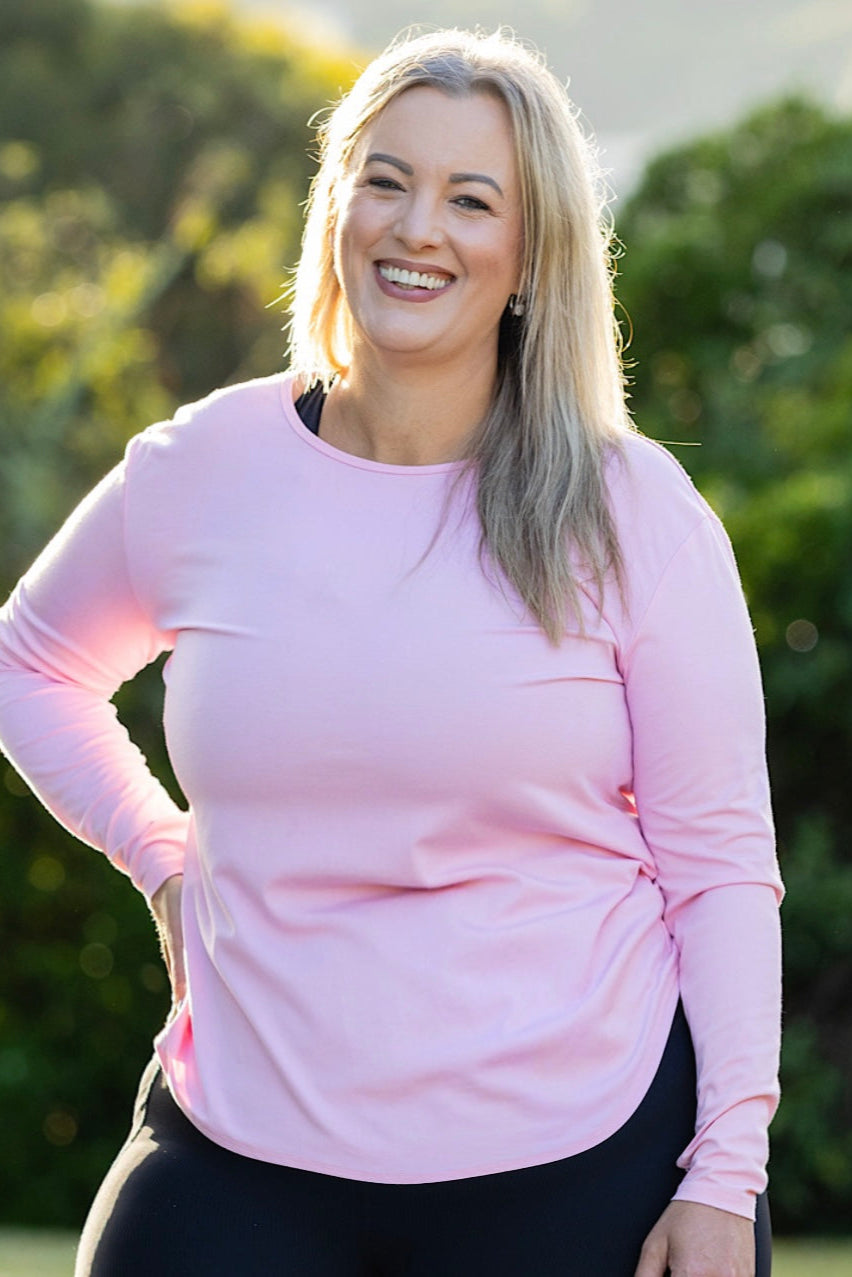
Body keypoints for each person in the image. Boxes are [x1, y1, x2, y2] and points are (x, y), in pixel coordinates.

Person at [0, 27, 782, 1277]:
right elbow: (26, 665)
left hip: (573, 1151)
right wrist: (159, 858)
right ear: (336, 206)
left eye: (473, 199)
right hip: (241, 1136)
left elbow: (721, 862)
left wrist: (725, 1174)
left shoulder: (634, 509)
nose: (419, 227)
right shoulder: (199, 472)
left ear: (531, 260)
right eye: (386, 179)